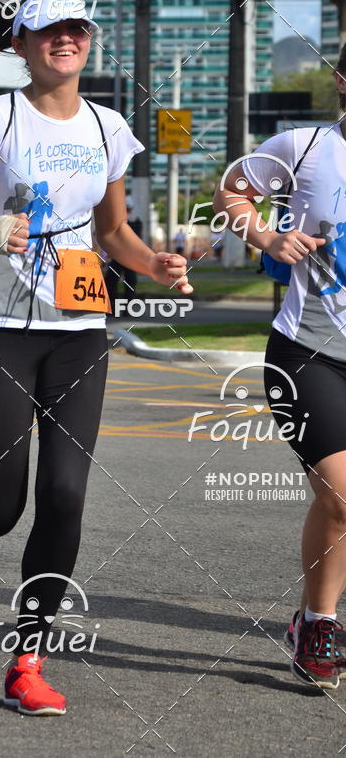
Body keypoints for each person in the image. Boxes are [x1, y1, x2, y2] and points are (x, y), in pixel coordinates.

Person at [0, 0, 193, 716]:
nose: (63, 40)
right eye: (47, 31)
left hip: (78, 330)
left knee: (65, 499)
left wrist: (153, 263)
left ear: (87, 39)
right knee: (3, 505)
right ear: (22, 45)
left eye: (75, 29)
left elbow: (111, 233)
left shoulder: (108, 126)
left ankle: (27, 660)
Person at [213, 47, 346, 691]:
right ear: (343, 81)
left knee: (337, 501)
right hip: (308, 350)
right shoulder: (305, 146)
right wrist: (266, 237)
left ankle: (311, 621)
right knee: (345, 490)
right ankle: (320, 625)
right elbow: (234, 189)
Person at [104, 198, 143, 311]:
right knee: (113, 281)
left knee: (124, 281)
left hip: (124, 257)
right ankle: (114, 307)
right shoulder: (131, 222)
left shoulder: (130, 222)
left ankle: (122, 308)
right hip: (122, 257)